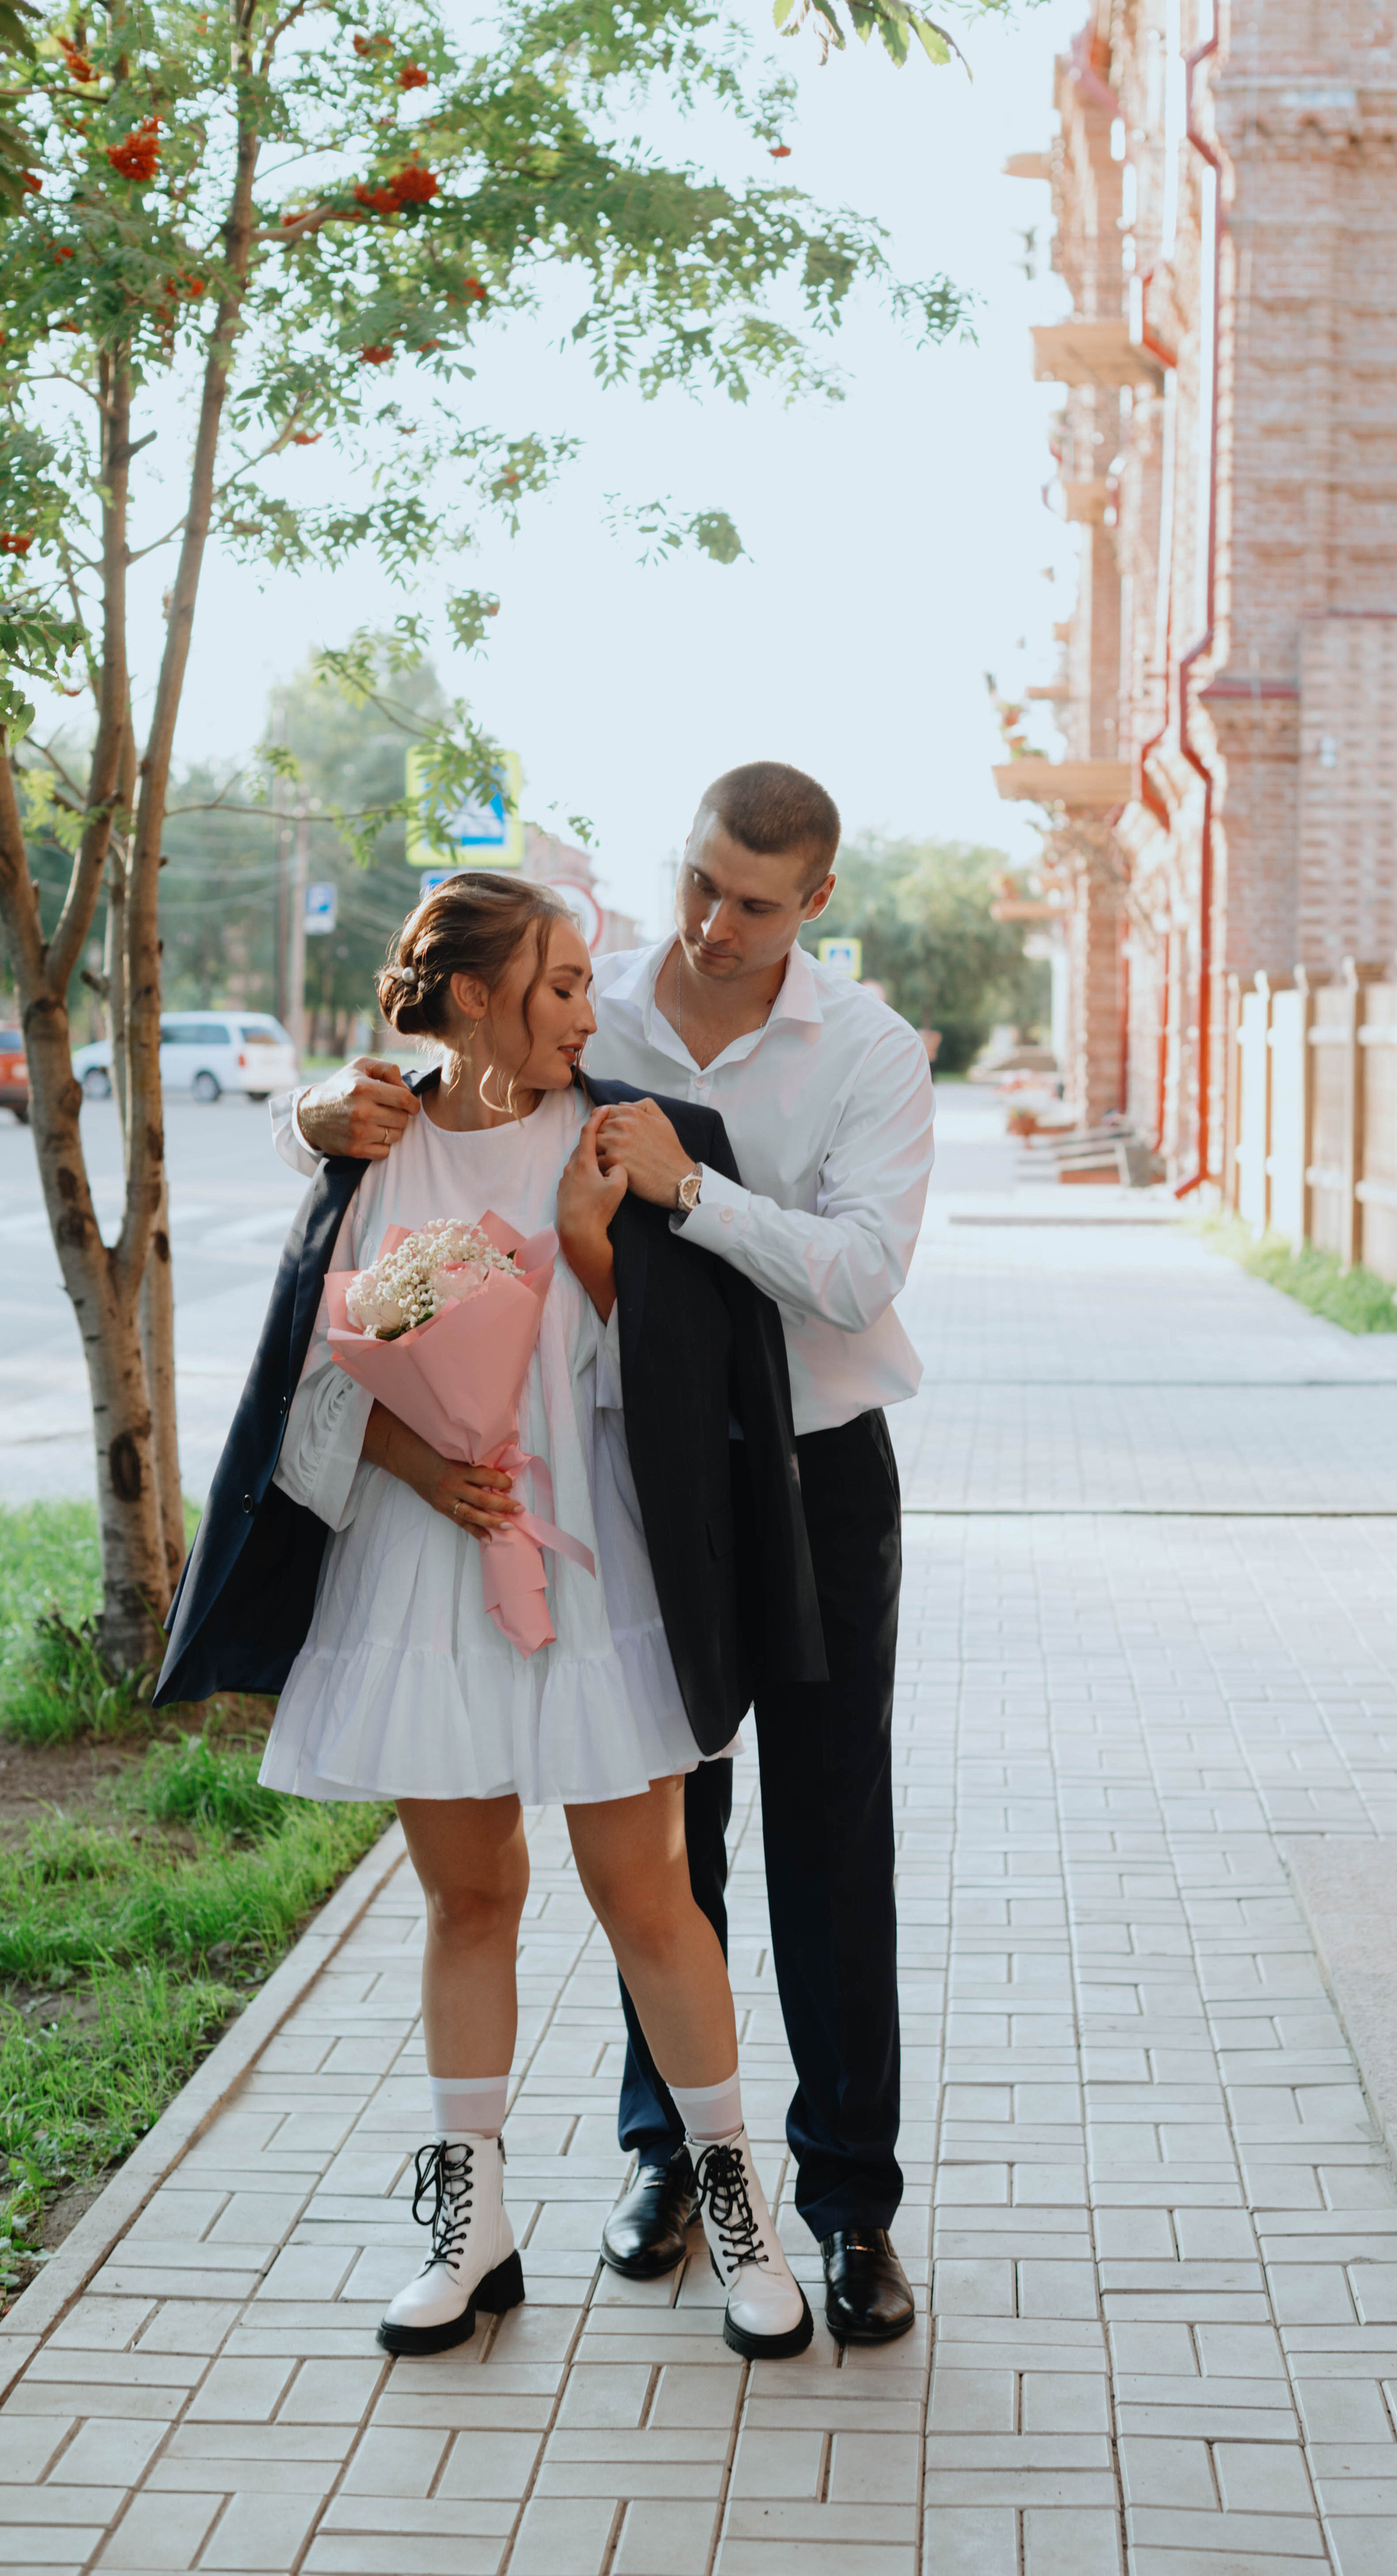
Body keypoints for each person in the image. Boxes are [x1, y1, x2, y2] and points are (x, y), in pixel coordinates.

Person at [278, 764, 936, 2345]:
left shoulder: (859, 1052)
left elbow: (845, 1280)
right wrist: (318, 1121)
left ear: (813, 903)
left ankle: (842, 2205)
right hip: (581, 1507)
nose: (710, 924)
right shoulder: (588, 1021)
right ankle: (647, 2173)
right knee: (637, 1865)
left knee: (815, 1844)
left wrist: (669, 1205)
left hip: (796, 1472)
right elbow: (335, 1302)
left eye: (752, 903)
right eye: (698, 883)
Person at [165, 871, 828, 2363]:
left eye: (588, 985)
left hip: (596, 1559)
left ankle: (739, 2208)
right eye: (562, 987)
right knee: (467, 1900)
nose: (590, 1015)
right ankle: (471, 2229)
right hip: (423, 1566)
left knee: (646, 1893)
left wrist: (591, 1248)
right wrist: (423, 1461)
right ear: (473, 997)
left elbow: (697, 1393)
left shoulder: (624, 1138)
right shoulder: (369, 1144)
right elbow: (312, 1375)